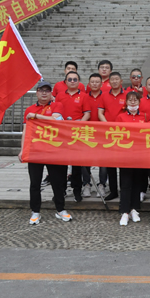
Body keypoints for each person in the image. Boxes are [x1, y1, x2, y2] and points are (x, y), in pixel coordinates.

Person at [18, 81, 69, 225]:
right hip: (36, 150)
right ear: (37, 93)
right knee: (35, 182)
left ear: (51, 93)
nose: (44, 93)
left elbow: (56, 120)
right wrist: (22, 149)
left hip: (53, 150)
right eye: (41, 90)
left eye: (47, 90)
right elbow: (26, 131)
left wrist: (36, 116)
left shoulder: (57, 106)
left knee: (57, 182)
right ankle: (35, 211)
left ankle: (60, 209)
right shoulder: (29, 109)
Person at [57, 71, 91, 202]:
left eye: (75, 79)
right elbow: (56, 113)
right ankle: (61, 190)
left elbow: (87, 114)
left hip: (77, 132)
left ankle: (77, 190)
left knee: (77, 164)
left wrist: (79, 124)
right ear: (65, 82)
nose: (72, 81)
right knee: (61, 164)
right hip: (62, 133)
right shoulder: (60, 95)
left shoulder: (84, 96)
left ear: (79, 82)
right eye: (70, 79)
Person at [115, 92, 146, 225]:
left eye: (135, 100)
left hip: (140, 154)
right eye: (130, 100)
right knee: (126, 184)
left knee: (137, 183)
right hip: (125, 155)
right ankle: (124, 211)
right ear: (126, 102)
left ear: (139, 102)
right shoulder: (120, 117)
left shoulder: (144, 116)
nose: (133, 103)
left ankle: (134, 209)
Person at [97, 71, 126, 200]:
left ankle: (125, 189)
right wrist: (107, 125)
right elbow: (100, 113)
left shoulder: (127, 95)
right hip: (108, 133)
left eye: (116, 79)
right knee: (110, 163)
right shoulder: (104, 95)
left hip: (123, 133)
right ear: (109, 82)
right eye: (112, 79)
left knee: (124, 164)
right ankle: (113, 190)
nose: (114, 81)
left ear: (121, 81)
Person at [86, 73, 105, 197]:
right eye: (92, 82)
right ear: (89, 83)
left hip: (102, 131)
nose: (94, 84)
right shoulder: (84, 97)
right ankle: (86, 184)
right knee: (85, 159)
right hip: (87, 131)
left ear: (101, 84)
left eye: (97, 82)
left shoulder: (105, 97)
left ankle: (102, 184)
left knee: (103, 160)